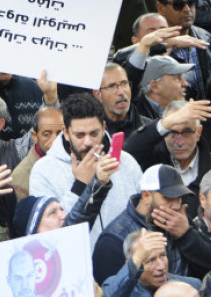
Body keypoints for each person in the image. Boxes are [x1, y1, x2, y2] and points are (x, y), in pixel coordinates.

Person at [28, 94, 143, 246]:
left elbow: (141, 214)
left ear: (103, 127)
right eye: (80, 135)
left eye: (94, 133)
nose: (88, 142)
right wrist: (79, 185)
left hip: (125, 262)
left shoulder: (126, 161)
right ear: (66, 133)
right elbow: (51, 235)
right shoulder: (43, 170)